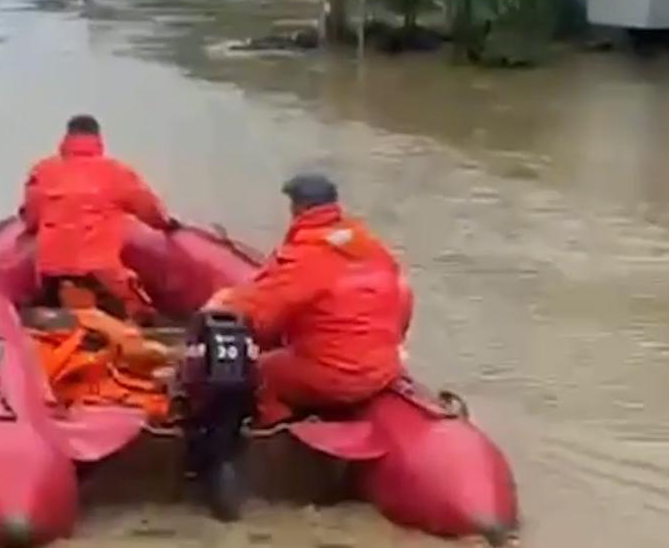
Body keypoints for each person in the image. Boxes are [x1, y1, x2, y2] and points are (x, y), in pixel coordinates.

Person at [205, 173, 412, 425]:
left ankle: (277, 433)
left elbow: (262, 313)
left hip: (334, 374)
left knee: (261, 372)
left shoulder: (306, 255)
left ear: (298, 208)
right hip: (383, 369)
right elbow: (404, 296)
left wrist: (220, 303)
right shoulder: (371, 247)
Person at [21, 114, 176, 322]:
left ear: (66, 138)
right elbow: (149, 210)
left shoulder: (43, 171)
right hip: (100, 274)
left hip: (51, 275)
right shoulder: (118, 172)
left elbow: (31, 218)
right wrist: (167, 225)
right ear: (98, 139)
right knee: (144, 315)